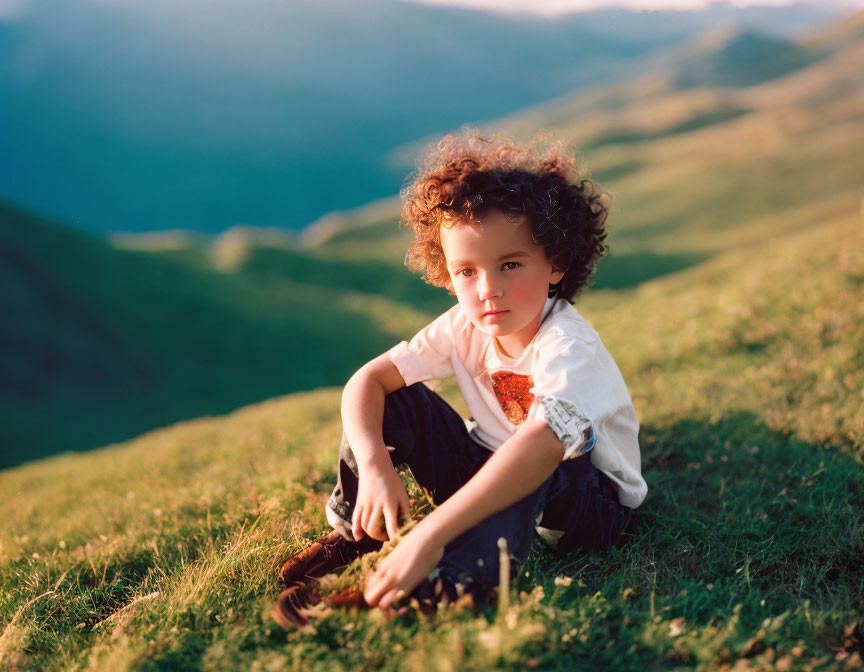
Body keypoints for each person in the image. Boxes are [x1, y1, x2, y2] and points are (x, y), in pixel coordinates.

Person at [273, 128, 648, 626]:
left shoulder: (568, 348)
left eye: (510, 264)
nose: (487, 290)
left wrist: (430, 536)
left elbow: (537, 448)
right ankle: (361, 532)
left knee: (537, 459)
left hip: (583, 510)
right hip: (493, 466)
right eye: (466, 271)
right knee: (400, 398)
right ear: (446, 273)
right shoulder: (463, 326)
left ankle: (447, 584)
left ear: (556, 263)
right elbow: (367, 381)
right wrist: (376, 467)